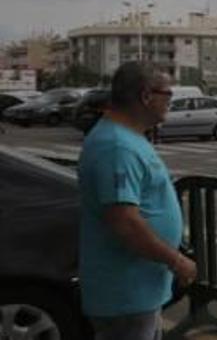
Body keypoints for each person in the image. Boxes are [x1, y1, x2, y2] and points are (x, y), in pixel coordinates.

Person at [78, 62, 196, 340]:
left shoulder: (126, 138)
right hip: (125, 292)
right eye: (168, 94)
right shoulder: (117, 146)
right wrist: (177, 261)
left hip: (137, 289)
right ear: (146, 96)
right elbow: (125, 223)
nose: (171, 101)